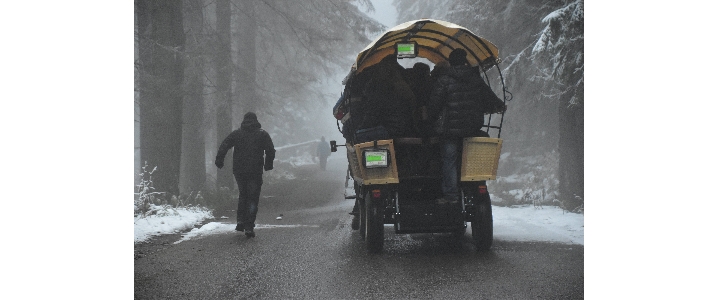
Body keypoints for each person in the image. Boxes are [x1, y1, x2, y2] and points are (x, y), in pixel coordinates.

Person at [428, 48, 506, 204]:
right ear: (465, 61)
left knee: (449, 159)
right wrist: (500, 106)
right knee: (468, 158)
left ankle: (451, 195)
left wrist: (430, 118)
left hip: (450, 130)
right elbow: (489, 98)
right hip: (472, 128)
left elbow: (434, 106)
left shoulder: (444, 80)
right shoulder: (475, 79)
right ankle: (471, 185)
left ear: (450, 62)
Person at [215, 112, 276, 237]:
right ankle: (249, 225)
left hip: (239, 170)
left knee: (243, 194)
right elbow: (270, 150)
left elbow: (224, 145)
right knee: (253, 197)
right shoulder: (262, 134)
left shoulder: (237, 134)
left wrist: (219, 160)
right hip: (255, 170)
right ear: (256, 120)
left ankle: (240, 221)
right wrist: (268, 165)